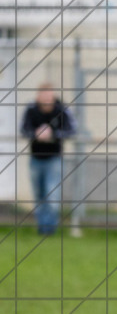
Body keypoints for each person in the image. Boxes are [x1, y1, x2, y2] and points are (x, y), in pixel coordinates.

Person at [20, 83, 77, 235]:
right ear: (38, 97)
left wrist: (53, 134)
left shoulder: (61, 110)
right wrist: (36, 134)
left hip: (54, 159)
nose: (46, 100)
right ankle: (42, 228)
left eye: (49, 97)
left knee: (52, 196)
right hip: (35, 159)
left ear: (53, 97)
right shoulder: (31, 110)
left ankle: (50, 230)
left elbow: (72, 130)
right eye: (43, 96)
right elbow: (24, 130)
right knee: (39, 196)